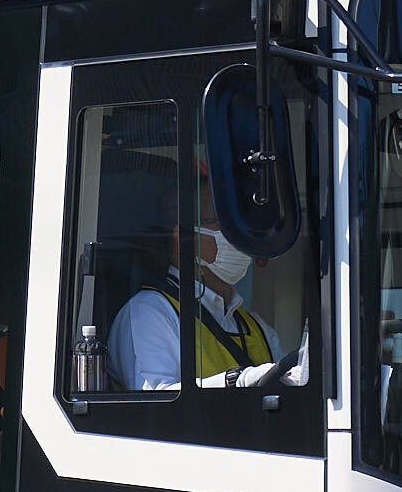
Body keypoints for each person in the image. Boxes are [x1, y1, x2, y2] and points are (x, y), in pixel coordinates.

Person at [107, 166, 287, 390]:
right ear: (184, 237)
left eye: (238, 225)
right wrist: (237, 380)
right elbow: (156, 401)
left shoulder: (256, 326)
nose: (239, 237)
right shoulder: (149, 311)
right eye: (223, 224)